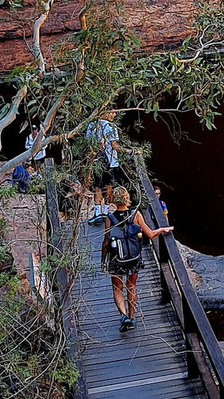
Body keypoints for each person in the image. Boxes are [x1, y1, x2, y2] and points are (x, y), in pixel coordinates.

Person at [100, 186, 173, 332]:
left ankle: (124, 316)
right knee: (131, 285)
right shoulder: (135, 214)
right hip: (133, 257)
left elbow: (106, 242)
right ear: (127, 198)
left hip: (117, 258)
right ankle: (132, 317)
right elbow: (150, 234)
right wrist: (162, 229)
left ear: (114, 199)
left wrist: (103, 261)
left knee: (117, 287)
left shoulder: (109, 218)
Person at [85, 111, 123, 224]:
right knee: (109, 187)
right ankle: (106, 212)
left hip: (97, 161)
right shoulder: (111, 126)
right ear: (105, 112)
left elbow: (89, 144)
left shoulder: (92, 125)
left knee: (97, 186)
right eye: (112, 112)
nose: (114, 115)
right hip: (111, 161)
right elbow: (114, 145)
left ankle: (97, 212)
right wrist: (128, 151)